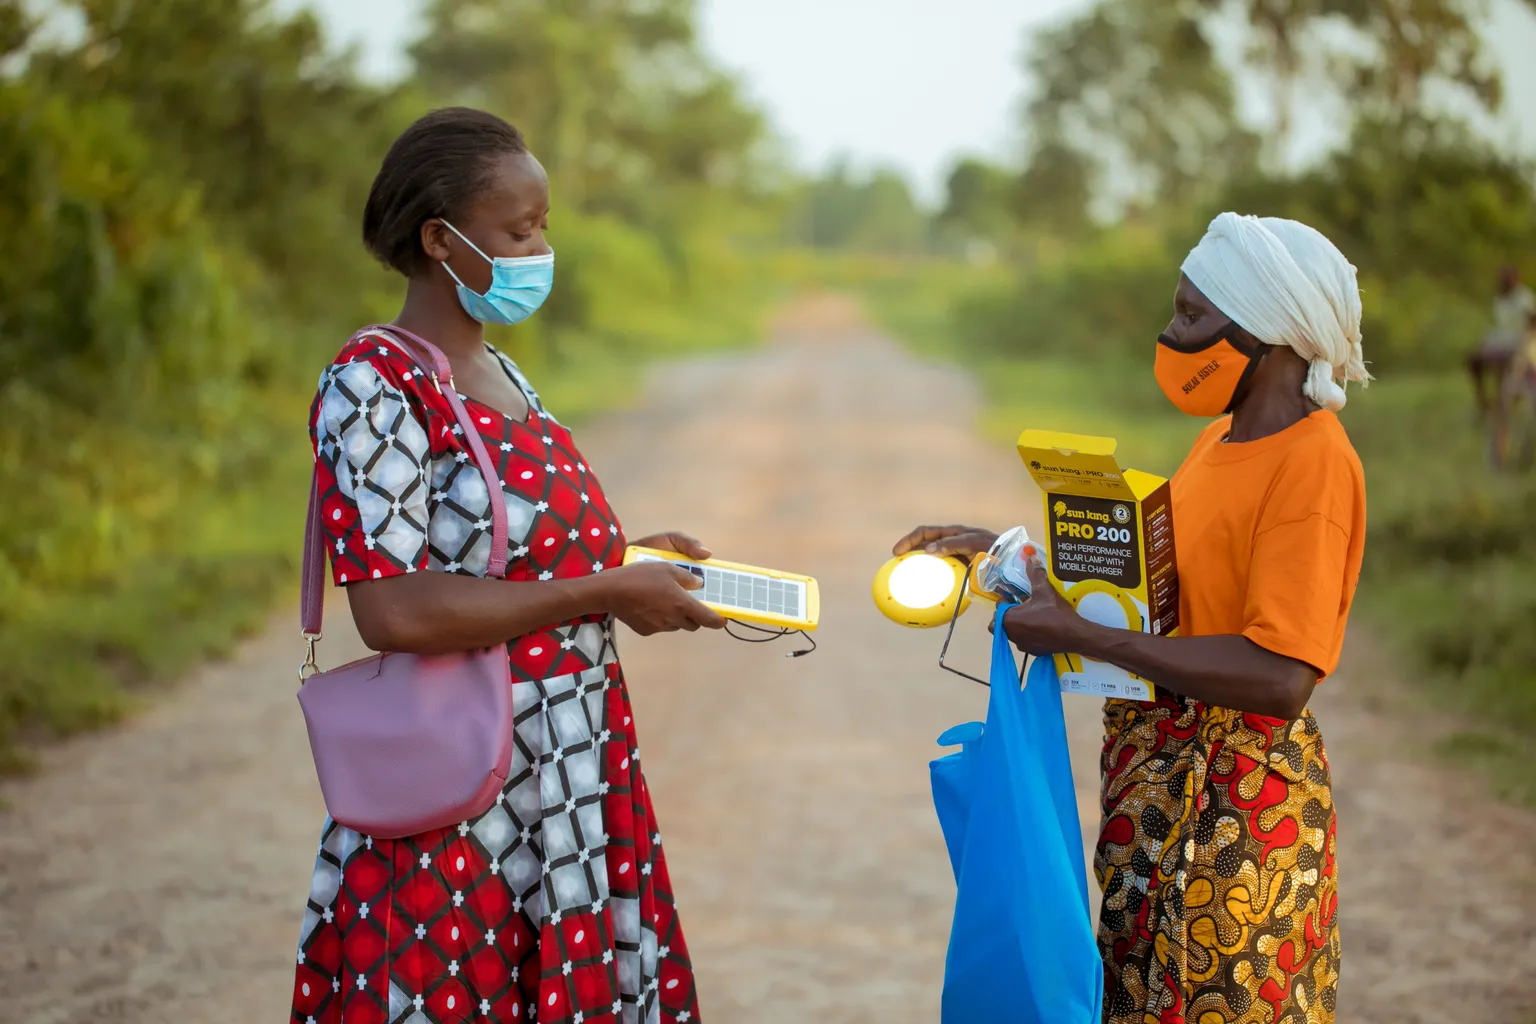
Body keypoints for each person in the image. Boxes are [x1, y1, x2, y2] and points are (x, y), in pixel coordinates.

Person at [290, 108, 723, 1024]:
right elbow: (395, 611)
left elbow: (510, 557)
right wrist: (607, 590)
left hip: (570, 764)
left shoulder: (503, 374)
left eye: (544, 227)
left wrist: (630, 558)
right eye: (520, 231)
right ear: (441, 240)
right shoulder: (376, 383)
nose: (541, 249)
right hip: (463, 785)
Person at [895, 212, 1368, 1024]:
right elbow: (1153, 599)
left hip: (1240, 815)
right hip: (1154, 791)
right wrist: (1011, 556)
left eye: (1191, 316)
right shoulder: (1218, 443)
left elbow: (1282, 675)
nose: (1171, 334)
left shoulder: (1315, 463)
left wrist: (1082, 637)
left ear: (1270, 333)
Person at [1468, 265, 1534, 416]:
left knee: (1503, 366)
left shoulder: (1525, 298)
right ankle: (1482, 403)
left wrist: (1525, 345)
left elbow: (1530, 326)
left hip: (1518, 342)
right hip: (1502, 340)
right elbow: (1501, 326)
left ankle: (1503, 405)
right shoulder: (1499, 299)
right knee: (1474, 359)